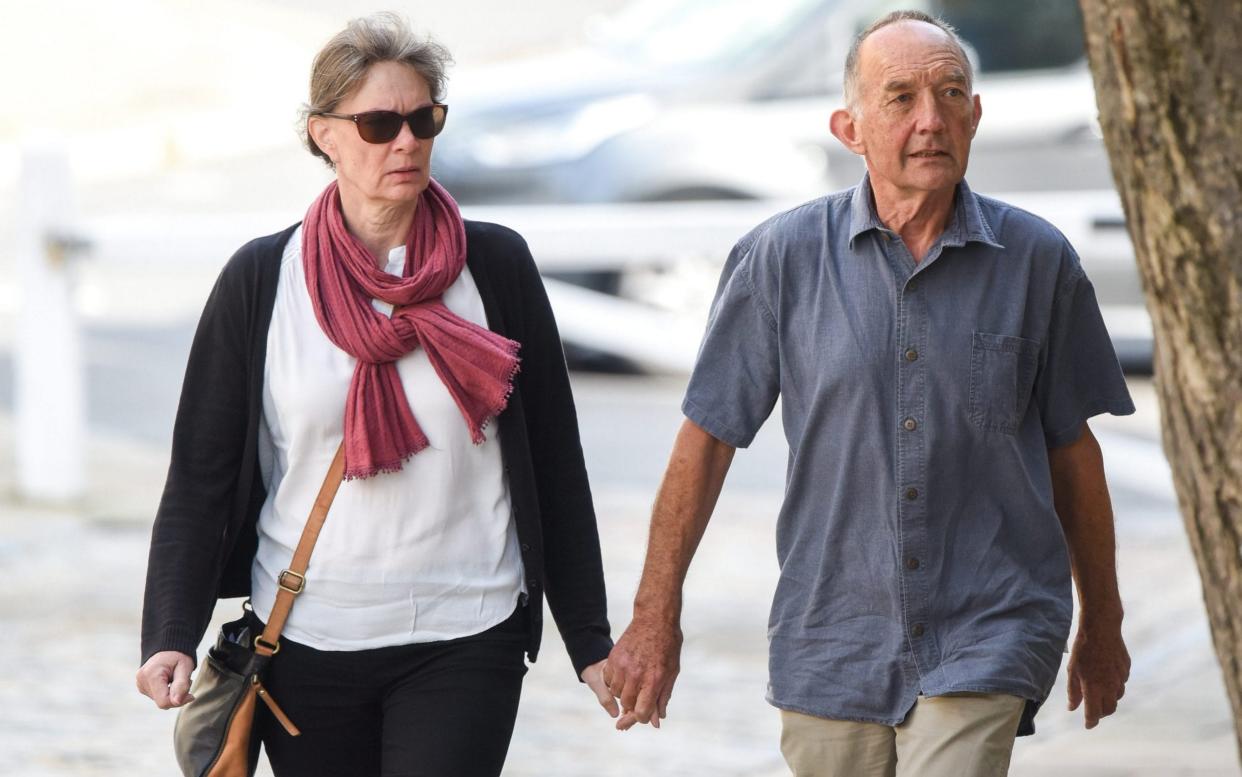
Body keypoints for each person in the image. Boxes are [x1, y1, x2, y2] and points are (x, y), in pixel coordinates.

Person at [604, 10, 1133, 777]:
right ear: (849, 128)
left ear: (976, 116)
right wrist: (655, 616)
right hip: (832, 639)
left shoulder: (1037, 263)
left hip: (990, 626)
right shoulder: (780, 260)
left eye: (952, 94)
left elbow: (1072, 453)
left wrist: (1103, 620)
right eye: (901, 98)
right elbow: (707, 439)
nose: (931, 119)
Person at [134, 13, 617, 776]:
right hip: (305, 639)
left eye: (424, 119)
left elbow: (556, 460)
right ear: (324, 134)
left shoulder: (495, 266)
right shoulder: (263, 280)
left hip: (468, 632)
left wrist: (589, 636)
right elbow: (200, 474)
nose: (407, 141)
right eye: (379, 123)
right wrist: (169, 630)